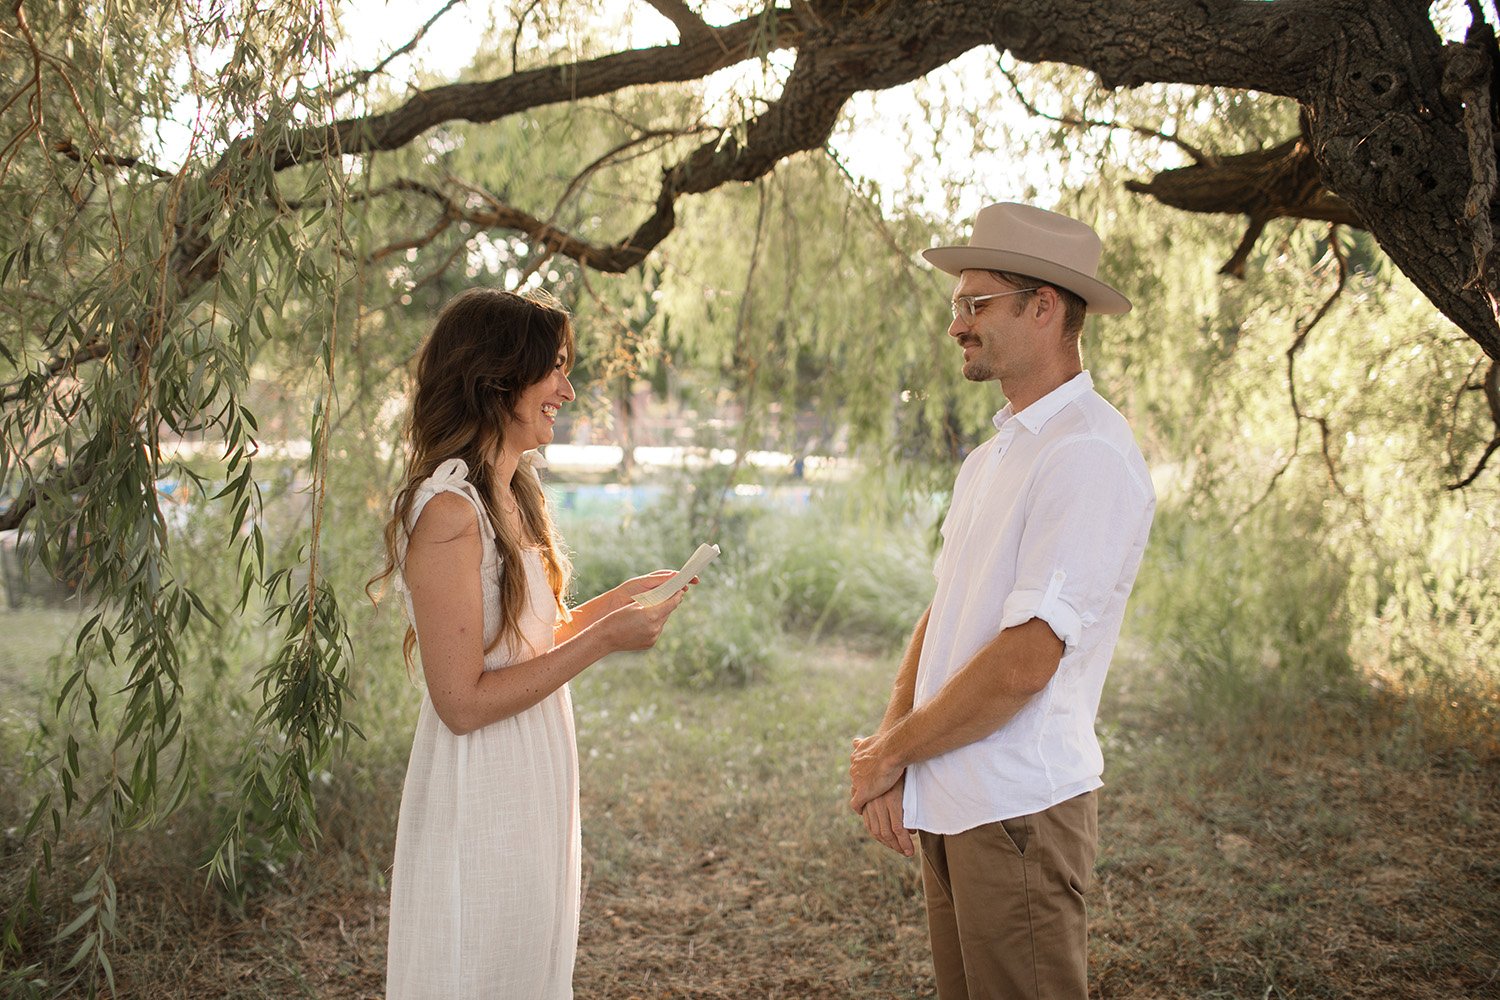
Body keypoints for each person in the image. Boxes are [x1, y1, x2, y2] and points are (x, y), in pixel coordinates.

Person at [848, 203, 1156, 1000]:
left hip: (1018, 808)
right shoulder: (993, 456)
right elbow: (946, 609)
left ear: (1045, 306)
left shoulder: (1085, 452)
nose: (956, 326)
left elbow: (1025, 664)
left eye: (975, 303)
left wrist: (893, 754)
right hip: (954, 798)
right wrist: (892, 742)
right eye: (957, 305)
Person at [371, 287, 690, 999]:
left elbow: (521, 646)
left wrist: (615, 603)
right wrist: (606, 639)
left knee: (527, 965)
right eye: (554, 370)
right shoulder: (450, 511)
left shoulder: (511, 494)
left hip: (532, 765)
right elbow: (460, 700)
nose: (568, 390)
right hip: (483, 779)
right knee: (480, 964)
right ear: (497, 378)